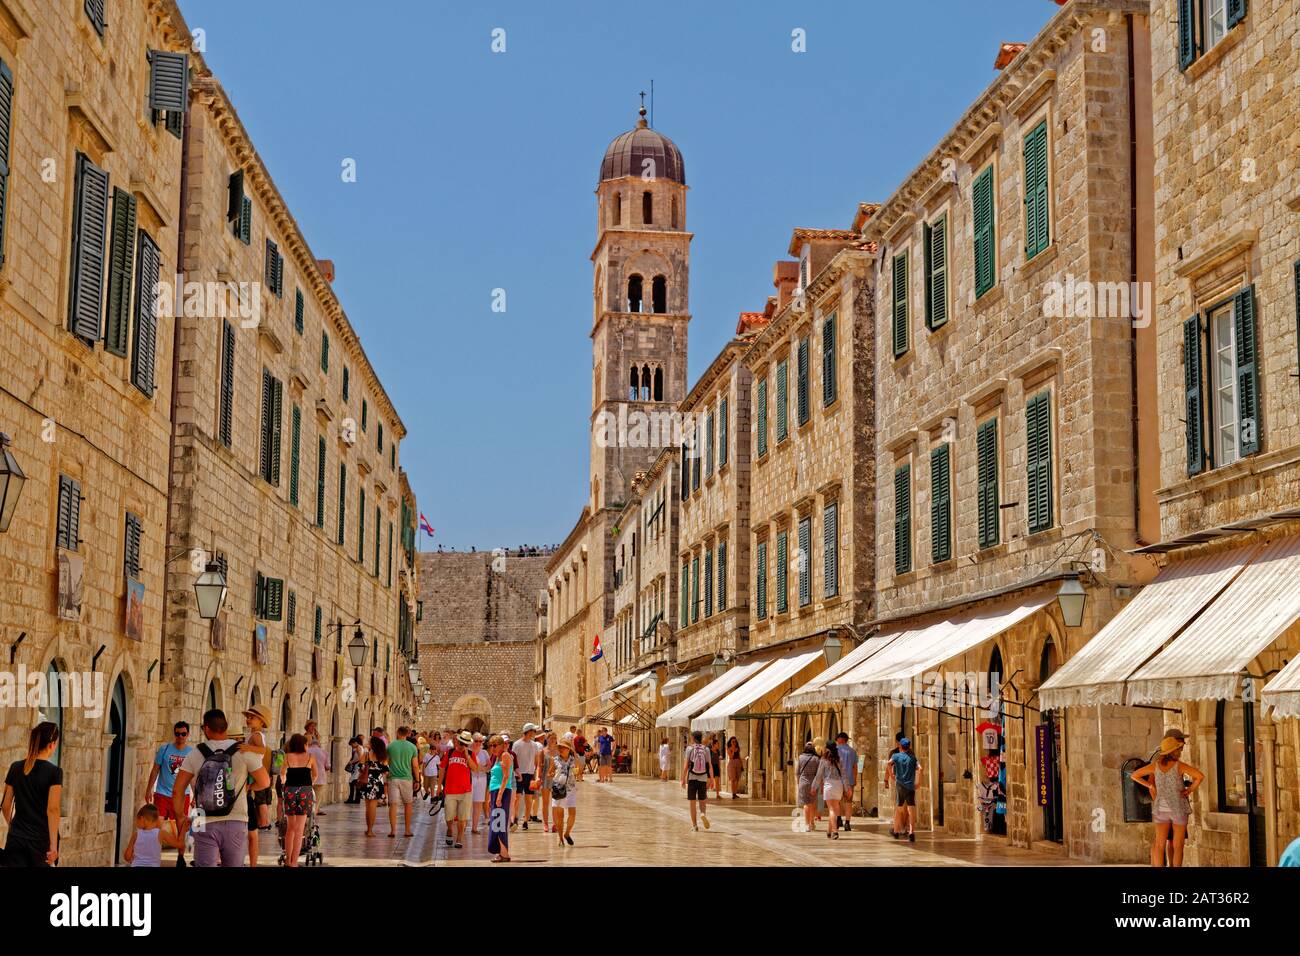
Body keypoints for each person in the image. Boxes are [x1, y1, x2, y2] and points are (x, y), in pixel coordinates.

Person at [173, 709, 271, 867]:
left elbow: (178, 789)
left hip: (203, 818)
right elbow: (265, 782)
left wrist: (181, 816)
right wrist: (248, 787)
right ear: (226, 727)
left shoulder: (196, 753)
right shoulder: (244, 750)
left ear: (206, 728)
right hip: (236, 818)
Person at [1131, 735, 1204, 867]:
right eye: (1178, 749)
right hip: (1178, 808)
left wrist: (1150, 786)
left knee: (1159, 844)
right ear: (1173, 751)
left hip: (1161, 808)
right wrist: (1189, 790)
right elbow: (1199, 776)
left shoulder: (1155, 766)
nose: (1180, 752)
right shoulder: (1179, 766)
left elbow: (1134, 775)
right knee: (1178, 845)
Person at [2, 722, 62, 866]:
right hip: (40, 842)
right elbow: (53, 809)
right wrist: (53, 846)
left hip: (16, 838)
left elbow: (5, 805)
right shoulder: (54, 772)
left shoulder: (15, 767)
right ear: (51, 744)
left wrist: (14, 828)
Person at [145, 720, 193, 864]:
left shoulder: (191, 753)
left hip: (181, 796)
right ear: (174, 734)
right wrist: (149, 789)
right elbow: (155, 770)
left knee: (181, 827)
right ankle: (154, 856)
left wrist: (196, 795)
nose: (180, 737)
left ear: (188, 734)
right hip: (162, 793)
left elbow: (193, 776)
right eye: (178, 734)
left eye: (183, 734)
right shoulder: (164, 749)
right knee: (157, 826)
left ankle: (180, 857)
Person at [240, 704, 275, 866]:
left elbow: (262, 750)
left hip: (253, 772)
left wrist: (245, 747)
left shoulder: (256, 735)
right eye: (247, 717)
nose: (248, 720)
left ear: (261, 722)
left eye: (251, 717)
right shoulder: (254, 734)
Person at [281, 733, 318, 866]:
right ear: (303, 745)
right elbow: (315, 775)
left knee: (290, 828)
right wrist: (310, 785)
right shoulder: (310, 757)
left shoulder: (287, 757)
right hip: (305, 791)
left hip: (290, 790)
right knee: (300, 829)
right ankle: (294, 862)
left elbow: (282, 773)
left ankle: (287, 859)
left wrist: (285, 783)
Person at [438, 730, 475, 848]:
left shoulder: (470, 753)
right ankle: (449, 829)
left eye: (465, 744)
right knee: (449, 815)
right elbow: (442, 769)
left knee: (462, 816)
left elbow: (475, 768)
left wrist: (467, 756)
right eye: (461, 743)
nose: (462, 746)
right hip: (450, 789)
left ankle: (459, 838)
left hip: (465, 790)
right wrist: (439, 786)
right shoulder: (449, 753)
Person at [123, 803, 183, 867]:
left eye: (137, 820)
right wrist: (183, 829)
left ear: (142, 819)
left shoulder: (136, 834)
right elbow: (180, 844)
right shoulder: (161, 833)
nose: (136, 823)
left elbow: (127, 857)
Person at [385, 726, 419, 838]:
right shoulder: (412, 747)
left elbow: (386, 762)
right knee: (408, 804)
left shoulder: (390, 746)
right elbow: (415, 765)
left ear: (398, 733)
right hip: (406, 778)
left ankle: (393, 830)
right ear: (407, 734)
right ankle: (407, 830)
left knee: (393, 804)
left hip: (393, 778)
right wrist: (417, 780)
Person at [486, 734, 514, 862]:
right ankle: (502, 852)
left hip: (501, 792)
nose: (493, 748)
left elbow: (506, 777)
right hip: (495, 792)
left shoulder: (505, 755)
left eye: (495, 745)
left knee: (500, 822)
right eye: (491, 745)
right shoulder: (497, 758)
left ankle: (504, 854)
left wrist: (500, 796)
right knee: (496, 822)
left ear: (502, 745)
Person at [812, 741, 847, 839]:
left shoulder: (823, 760)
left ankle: (835, 831)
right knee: (835, 809)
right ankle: (829, 831)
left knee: (831, 809)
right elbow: (844, 775)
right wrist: (847, 788)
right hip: (838, 786)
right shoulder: (839, 760)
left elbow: (819, 776)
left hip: (829, 785)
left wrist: (814, 787)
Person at [888, 737, 919, 842]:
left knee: (898, 808)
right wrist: (918, 782)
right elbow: (921, 768)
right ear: (909, 747)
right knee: (911, 809)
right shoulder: (913, 758)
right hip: (910, 786)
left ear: (900, 746)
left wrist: (891, 774)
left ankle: (896, 831)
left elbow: (889, 763)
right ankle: (911, 832)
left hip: (900, 785)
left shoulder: (896, 756)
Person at [681, 730, 713, 831]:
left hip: (692, 777)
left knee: (692, 802)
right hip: (703, 777)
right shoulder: (706, 749)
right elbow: (710, 766)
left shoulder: (689, 749)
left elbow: (686, 766)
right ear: (701, 738)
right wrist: (711, 779)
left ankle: (694, 825)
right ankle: (702, 813)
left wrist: (683, 779)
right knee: (702, 800)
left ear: (693, 738)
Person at [551, 734, 579, 847]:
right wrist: (552, 774)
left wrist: (577, 769)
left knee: (572, 814)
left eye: (563, 747)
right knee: (560, 816)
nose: (561, 749)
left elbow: (579, 770)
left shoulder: (573, 759)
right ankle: (560, 837)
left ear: (569, 749)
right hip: (559, 789)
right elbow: (549, 772)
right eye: (560, 747)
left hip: (571, 789)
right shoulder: (555, 760)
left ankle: (567, 833)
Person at [511, 724, 540, 827]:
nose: (535, 733)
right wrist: (516, 773)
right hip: (519, 774)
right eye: (534, 731)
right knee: (517, 798)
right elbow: (513, 759)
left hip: (530, 774)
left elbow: (536, 760)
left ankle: (526, 820)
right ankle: (515, 818)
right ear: (529, 731)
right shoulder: (517, 744)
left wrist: (536, 775)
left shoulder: (534, 745)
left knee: (529, 798)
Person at [360, 736, 389, 838]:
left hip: (367, 781)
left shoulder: (366, 755)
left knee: (368, 807)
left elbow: (360, 767)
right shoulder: (383, 757)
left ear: (372, 745)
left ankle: (368, 829)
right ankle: (370, 831)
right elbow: (386, 771)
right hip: (377, 782)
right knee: (373, 807)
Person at [834, 732, 858, 831]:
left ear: (840, 739)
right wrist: (855, 779)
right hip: (849, 780)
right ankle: (847, 823)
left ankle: (839, 819)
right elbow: (855, 767)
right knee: (848, 801)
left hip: (838, 779)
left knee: (837, 801)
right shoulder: (852, 751)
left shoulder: (835, 751)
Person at [796, 741, 820, 833]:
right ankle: (812, 823)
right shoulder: (816, 759)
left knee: (806, 804)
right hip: (814, 782)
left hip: (803, 782)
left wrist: (799, 782)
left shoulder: (801, 758)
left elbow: (797, 772)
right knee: (813, 803)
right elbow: (818, 773)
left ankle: (806, 825)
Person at [469, 733, 489, 831]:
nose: (478, 743)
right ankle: (463, 826)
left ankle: (474, 828)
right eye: (476, 741)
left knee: (478, 803)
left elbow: (489, 766)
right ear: (472, 741)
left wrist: (481, 769)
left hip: (481, 779)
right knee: (467, 803)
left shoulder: (484, 753)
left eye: (480, 741)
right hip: (470, 779)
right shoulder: (468, 752)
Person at [537, 732, 557, 831]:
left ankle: (554, 823)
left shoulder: (559, 751)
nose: (553, 740)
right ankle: (545, 823)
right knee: (545, 802)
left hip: (557, 779)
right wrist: (538, 778)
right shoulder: (543, 751)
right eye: (551, 738)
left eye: (554, 738)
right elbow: (539, 766)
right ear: (547, 739)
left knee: (555, 802)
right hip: (545, 778)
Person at [308, 735, 330, 816]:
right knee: (316, 800)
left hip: (308, 778)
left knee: (307, 798)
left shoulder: (307, 751)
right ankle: (313, 817)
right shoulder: (324, 752)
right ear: (319, 744)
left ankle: (306, 816)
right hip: (320, 778)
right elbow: (327, 767)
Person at [345, 735, 365, 804]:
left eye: (352, 744)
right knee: (354, 782)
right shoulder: (359, 748)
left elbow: (360, 758)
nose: (352, 746)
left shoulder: (359, 748)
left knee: (352, 781)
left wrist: (352, 762)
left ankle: (353, 798)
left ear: (355, 742)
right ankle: (355, 799)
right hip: (357, 767)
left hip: (357, 767)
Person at [709, 734, 723, 798]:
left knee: (717, 781)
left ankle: (717, 794)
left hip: (716, 767)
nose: (718, 745)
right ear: (714, 744)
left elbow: (718, 761)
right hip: (711, 767)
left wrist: (719, 768)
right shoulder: (709, 751)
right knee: (709, 781)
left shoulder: (718, 751)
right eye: (717, 744)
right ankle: (705, 794)